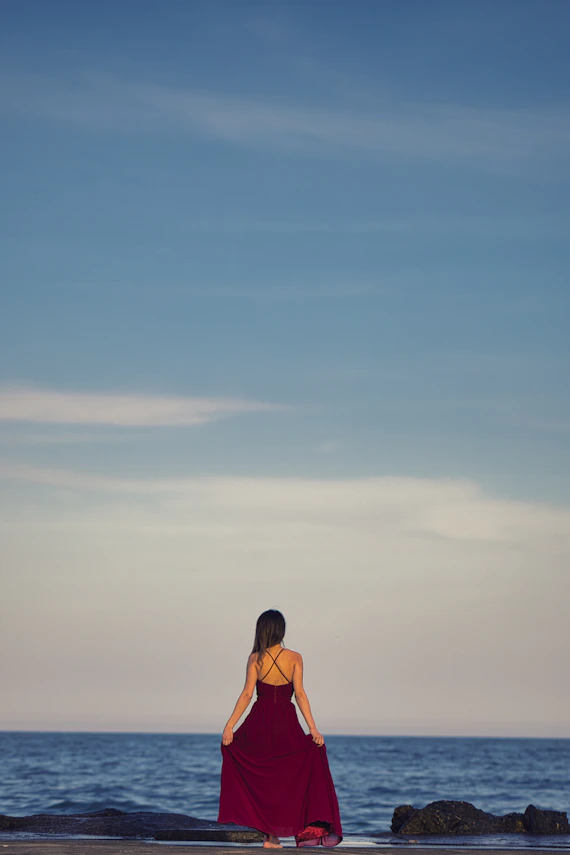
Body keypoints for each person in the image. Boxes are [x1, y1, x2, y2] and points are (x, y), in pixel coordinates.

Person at [218, 609, 342, 848]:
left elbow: (246, 694)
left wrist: (229, 726)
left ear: (262, 630)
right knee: (287, 777)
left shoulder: (255, 658)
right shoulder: (295, 657)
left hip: (259, 722)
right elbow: (301, 695)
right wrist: (313, 729)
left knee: (262, 779)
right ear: (281, 630)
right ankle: (277, 835)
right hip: (286, 722)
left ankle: (270, 836)